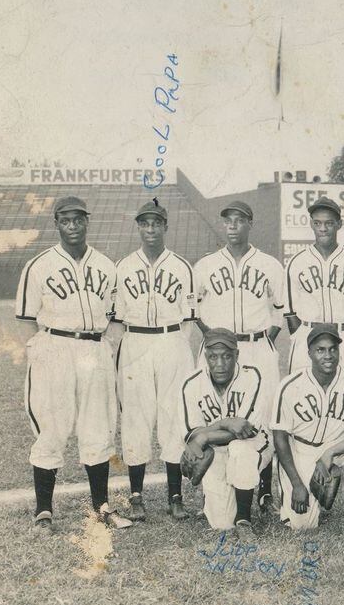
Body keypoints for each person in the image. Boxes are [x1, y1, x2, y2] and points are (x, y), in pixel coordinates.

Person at [15, 196, 132, 530]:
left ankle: (102, 507)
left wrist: (106, 345)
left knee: (98, 426)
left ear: (87, 222)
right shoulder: (38, 265)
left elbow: (116, 315)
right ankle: (43, 511)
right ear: (57, 224)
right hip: (55, 347)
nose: (73, 226)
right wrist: (37, 348)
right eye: (66, 220)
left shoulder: (106, 265)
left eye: (79, 220)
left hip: (93, 348)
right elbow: (25, 317)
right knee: (52, 427)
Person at [194, 200, 284, 513]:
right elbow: (194, 309)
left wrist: (264, 339)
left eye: (239, 220)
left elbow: (279, 311)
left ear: (250, 224)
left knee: (264, 417)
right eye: (228, 221)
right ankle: (214, 485)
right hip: (220, 350)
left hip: (257, 345)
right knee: (216, 412)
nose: (233, 226)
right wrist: (212, 338)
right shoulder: (205, 265)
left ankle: (265, 491)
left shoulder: (270, 265)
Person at [112, 199, 197, 521]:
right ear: (138, 227)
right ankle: (136, 497)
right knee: (136, 417)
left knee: (174, 416)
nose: (150, 229)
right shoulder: (123, 267)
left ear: (165, 226)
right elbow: (116, 319)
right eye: (145, 223)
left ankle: (174, 496)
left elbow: (188, 321)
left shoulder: (181, 266)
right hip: (135, 341)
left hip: (171, 340)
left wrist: (171, 343)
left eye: (156, 223)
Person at [271, 325, 344, 532]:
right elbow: (279, 438)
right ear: (309, 354)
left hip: (339, 445)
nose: (328, 355)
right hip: (302, 449)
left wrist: (329, 453)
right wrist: (297, 484)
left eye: (333, 349)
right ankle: (289, 486)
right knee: (302, 525)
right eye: (320, 350)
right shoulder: (290, 385)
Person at [179, 329, 272, 533]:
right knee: (221, 523)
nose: (220, 364)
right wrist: (225, 423)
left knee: (240, 448)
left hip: (254, 444)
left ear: (237, 355)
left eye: (227, 356)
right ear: (205, 357)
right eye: (213, 357)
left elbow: (245, 430)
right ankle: (215, 498)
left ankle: (244, 519)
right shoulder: (192, 383)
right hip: (217, 451)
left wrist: (205, 435)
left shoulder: (252, 376)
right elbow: (193, 434)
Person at [283, 196, 344, 374]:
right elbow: (291, 314)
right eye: (318, 223)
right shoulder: (297, 262)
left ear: (339, 224)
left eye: (329, 223)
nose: (323, 228)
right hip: (309, 336)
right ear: (312, 224)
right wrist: (303, 337)